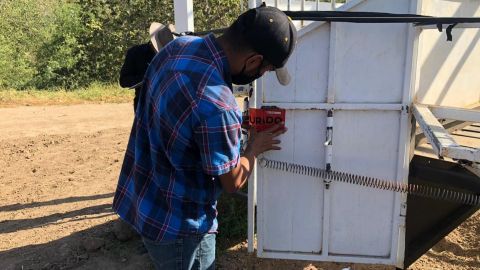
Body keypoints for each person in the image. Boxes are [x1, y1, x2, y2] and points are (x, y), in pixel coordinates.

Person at [113, 4, 297, 270]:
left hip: (145, 201)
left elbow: (180, 118)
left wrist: (226, 131)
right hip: (180, 230)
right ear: (254, 61)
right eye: (266, 69)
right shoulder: (219, 106)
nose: (262, 75)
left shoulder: (177, 47)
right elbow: (232, 182)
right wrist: (253, 148)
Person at [119, 22, 175, 112]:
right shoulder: (135, 53)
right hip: (144, 106)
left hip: (169, 106)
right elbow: (124, 81)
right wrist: (147, 77)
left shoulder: (175, 56)